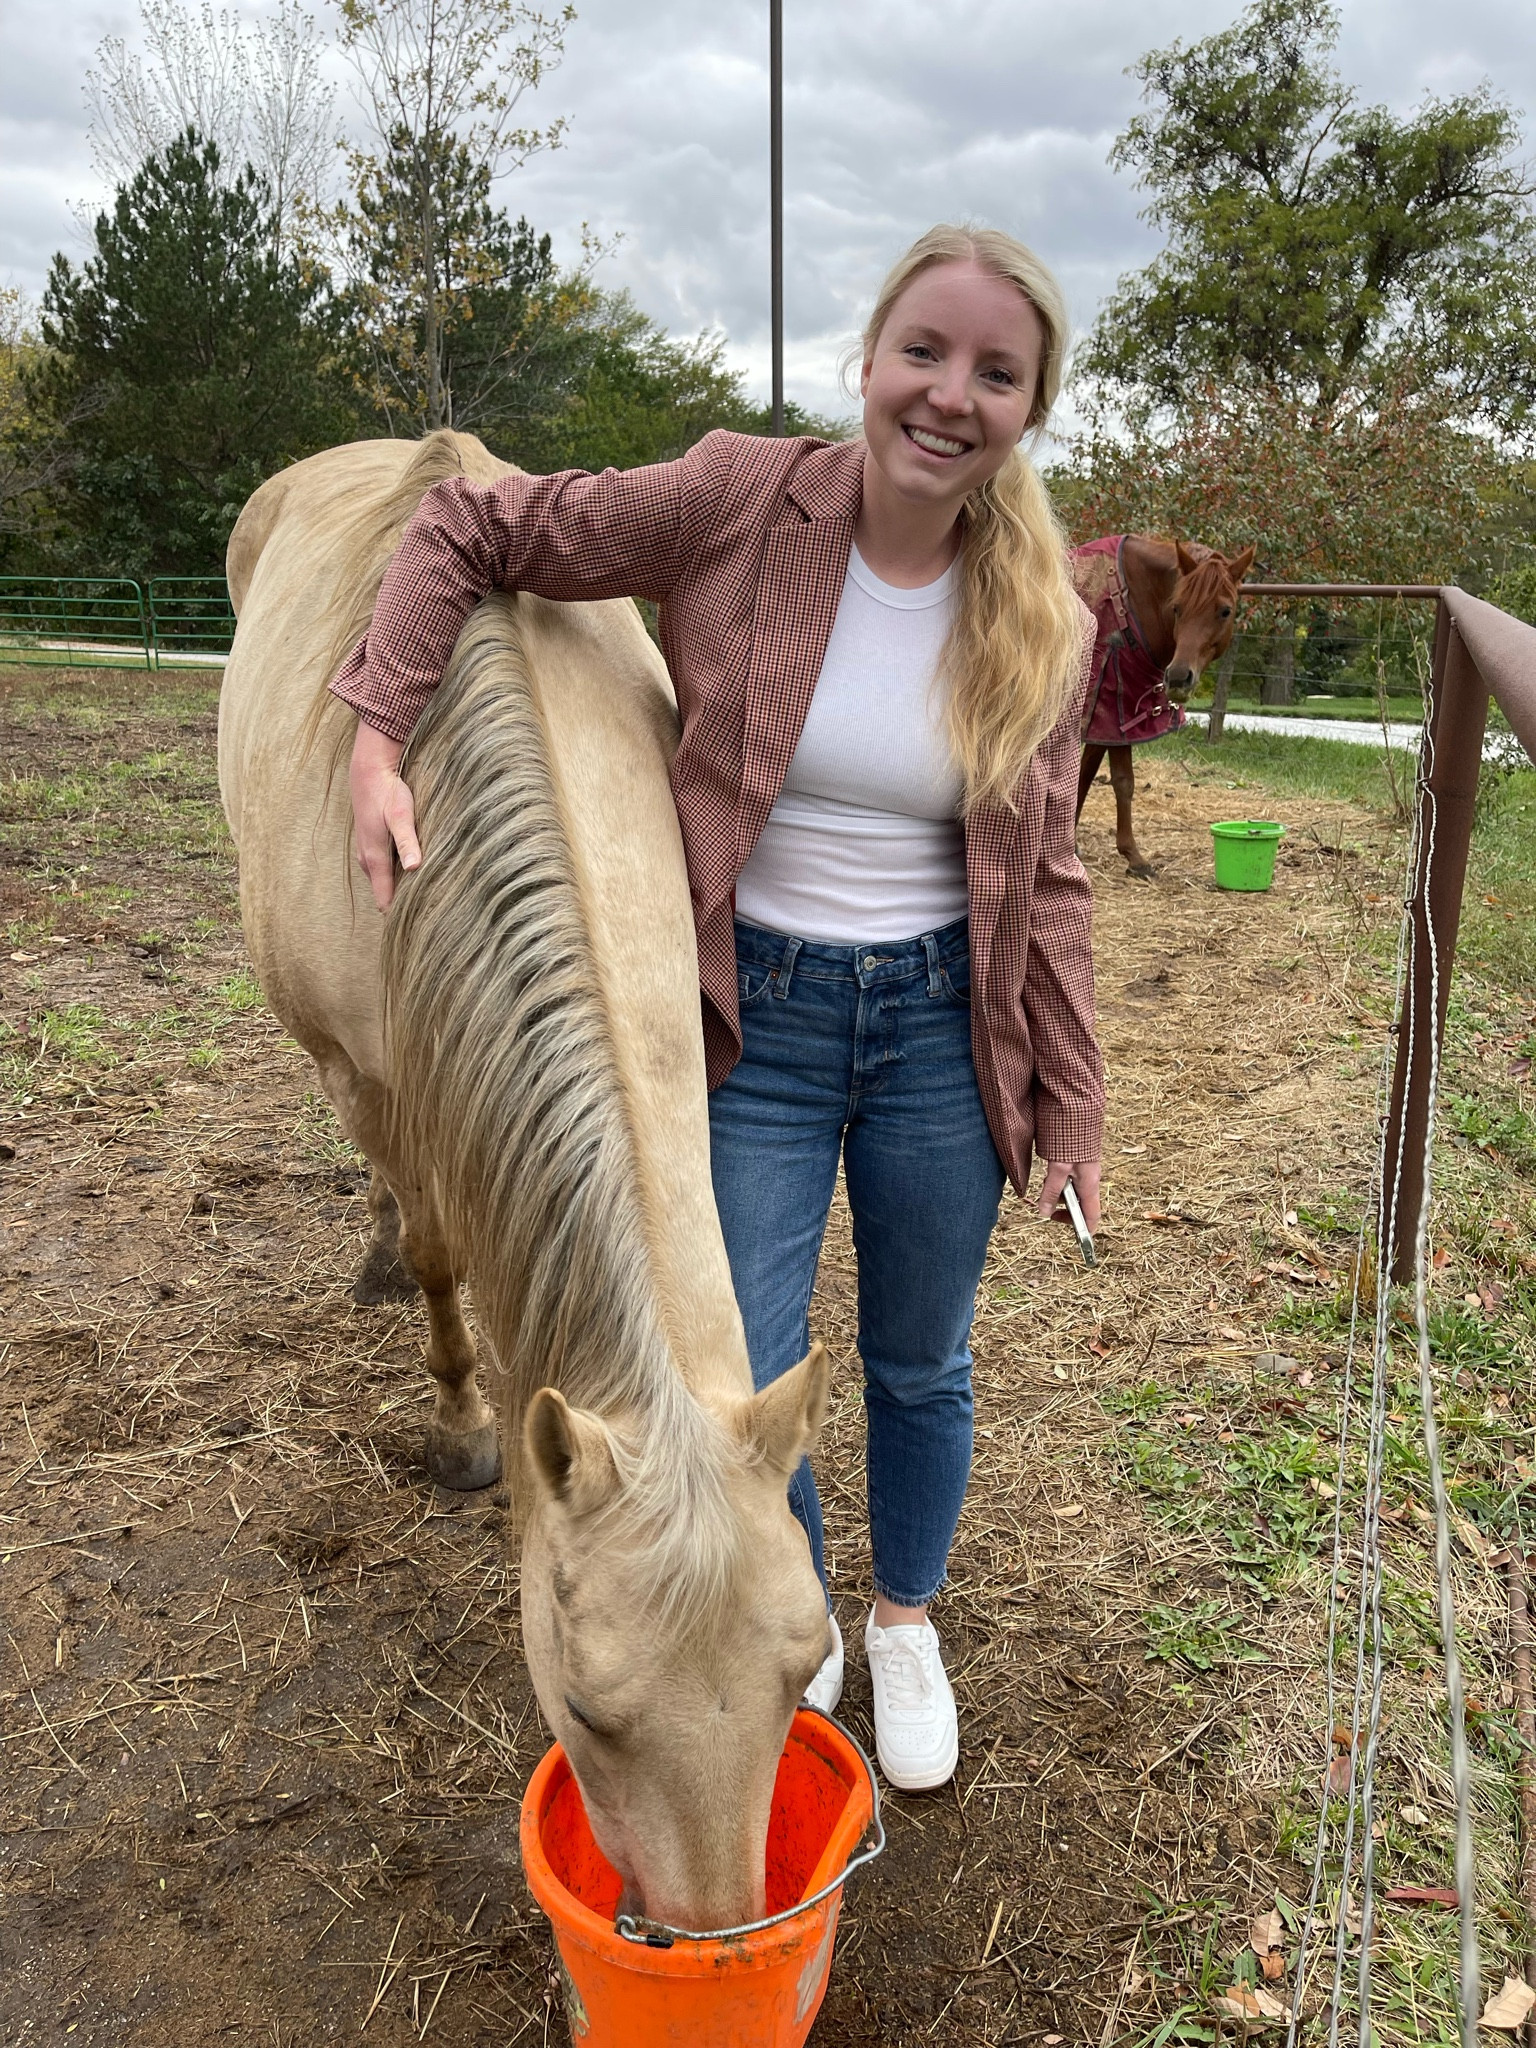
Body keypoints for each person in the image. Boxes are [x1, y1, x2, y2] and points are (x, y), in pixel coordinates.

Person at [334, 223, 1104, 1792]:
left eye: (995, 372)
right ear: (870, 361)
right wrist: (374, 730)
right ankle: (783, 1601)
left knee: (922, 1361)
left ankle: (903, 1621)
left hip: (940, 1032)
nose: (950, 394)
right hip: (755, 1018)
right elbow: (472, 523)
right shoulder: (739, 499)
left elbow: (1053, 876)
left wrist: (1074, 1099)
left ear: (1030, 407)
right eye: (924, 352)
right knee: (739, 1380)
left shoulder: (1047, 614)